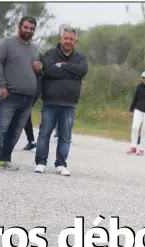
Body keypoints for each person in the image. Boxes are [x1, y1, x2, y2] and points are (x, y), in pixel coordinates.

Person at [0, 16, 43, 171]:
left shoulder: (35, 49)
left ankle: (4, 159)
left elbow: (37, 73)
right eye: (26, 27)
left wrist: (39, 70)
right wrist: (1, 85)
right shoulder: (7, 43)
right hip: (8, 94)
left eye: (31, 28)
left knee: (15, 131)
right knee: (1, 127)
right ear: (19, 27)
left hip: (27, 98)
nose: (28, 31)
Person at [34, 26, 88, 175]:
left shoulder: (81, 58)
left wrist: (63, 65)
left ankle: (61, 164)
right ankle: (40, 162)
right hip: (50, 101)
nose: (68, 41)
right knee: (44, 133)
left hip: (69, 104)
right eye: (65, 38)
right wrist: (71, 72)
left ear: (75, 41)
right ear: (60, 39)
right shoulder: (50, 54)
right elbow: (49, 70)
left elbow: (82, 71)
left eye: (71, 39)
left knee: (65, 136)